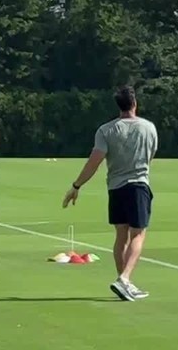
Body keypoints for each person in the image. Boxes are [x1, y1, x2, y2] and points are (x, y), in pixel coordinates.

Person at [63, 85, 159, 302]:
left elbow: (94, 162)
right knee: (138, 234)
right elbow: (150, 156)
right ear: (135, 103)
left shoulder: (106, 130)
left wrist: (77, 186)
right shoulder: (149, 127)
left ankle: (124, 283)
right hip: (138, 185)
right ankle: (124, 278)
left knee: (121, 236)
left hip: (115, 188)